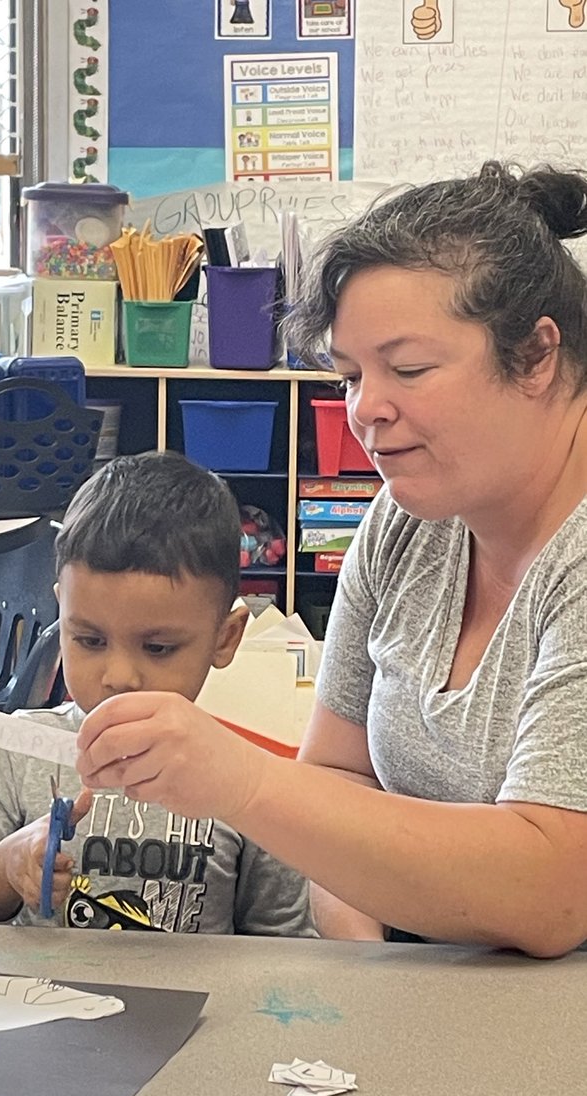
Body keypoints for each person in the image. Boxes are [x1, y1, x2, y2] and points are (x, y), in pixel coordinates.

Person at [75, 161, 587, 958]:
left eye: (408, 370)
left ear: (536, 355)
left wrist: (244, 781)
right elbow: (338, 778)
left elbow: (553, 892)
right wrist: (368, 955)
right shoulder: (406, 522)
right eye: (349, 375)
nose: (365, 409)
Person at [0, 451, 313, 936]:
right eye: (89, 640)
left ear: (225, 638)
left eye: (158, 648)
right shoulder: (17, 753)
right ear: (62, 614)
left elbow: (286, 944)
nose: (119, 676)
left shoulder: (247, 780)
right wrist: (2, 869)